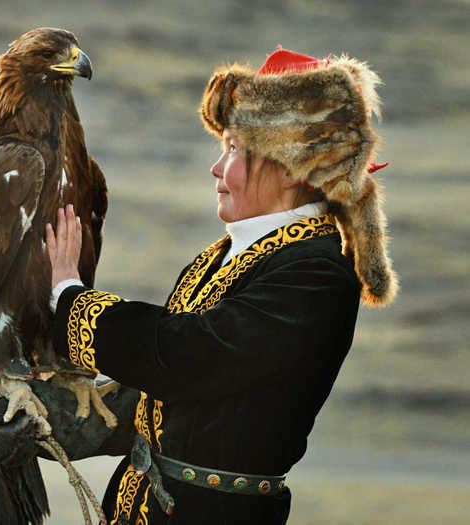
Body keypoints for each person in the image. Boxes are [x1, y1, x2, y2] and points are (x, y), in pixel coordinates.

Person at [44, 48, 398, 525]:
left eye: (233, 148)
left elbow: (188, 356)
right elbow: (182, 398)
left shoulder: (317, 273)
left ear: (293, 166)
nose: (216, 167)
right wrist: (54, 414)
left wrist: (68, 298)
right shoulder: (236, 254)